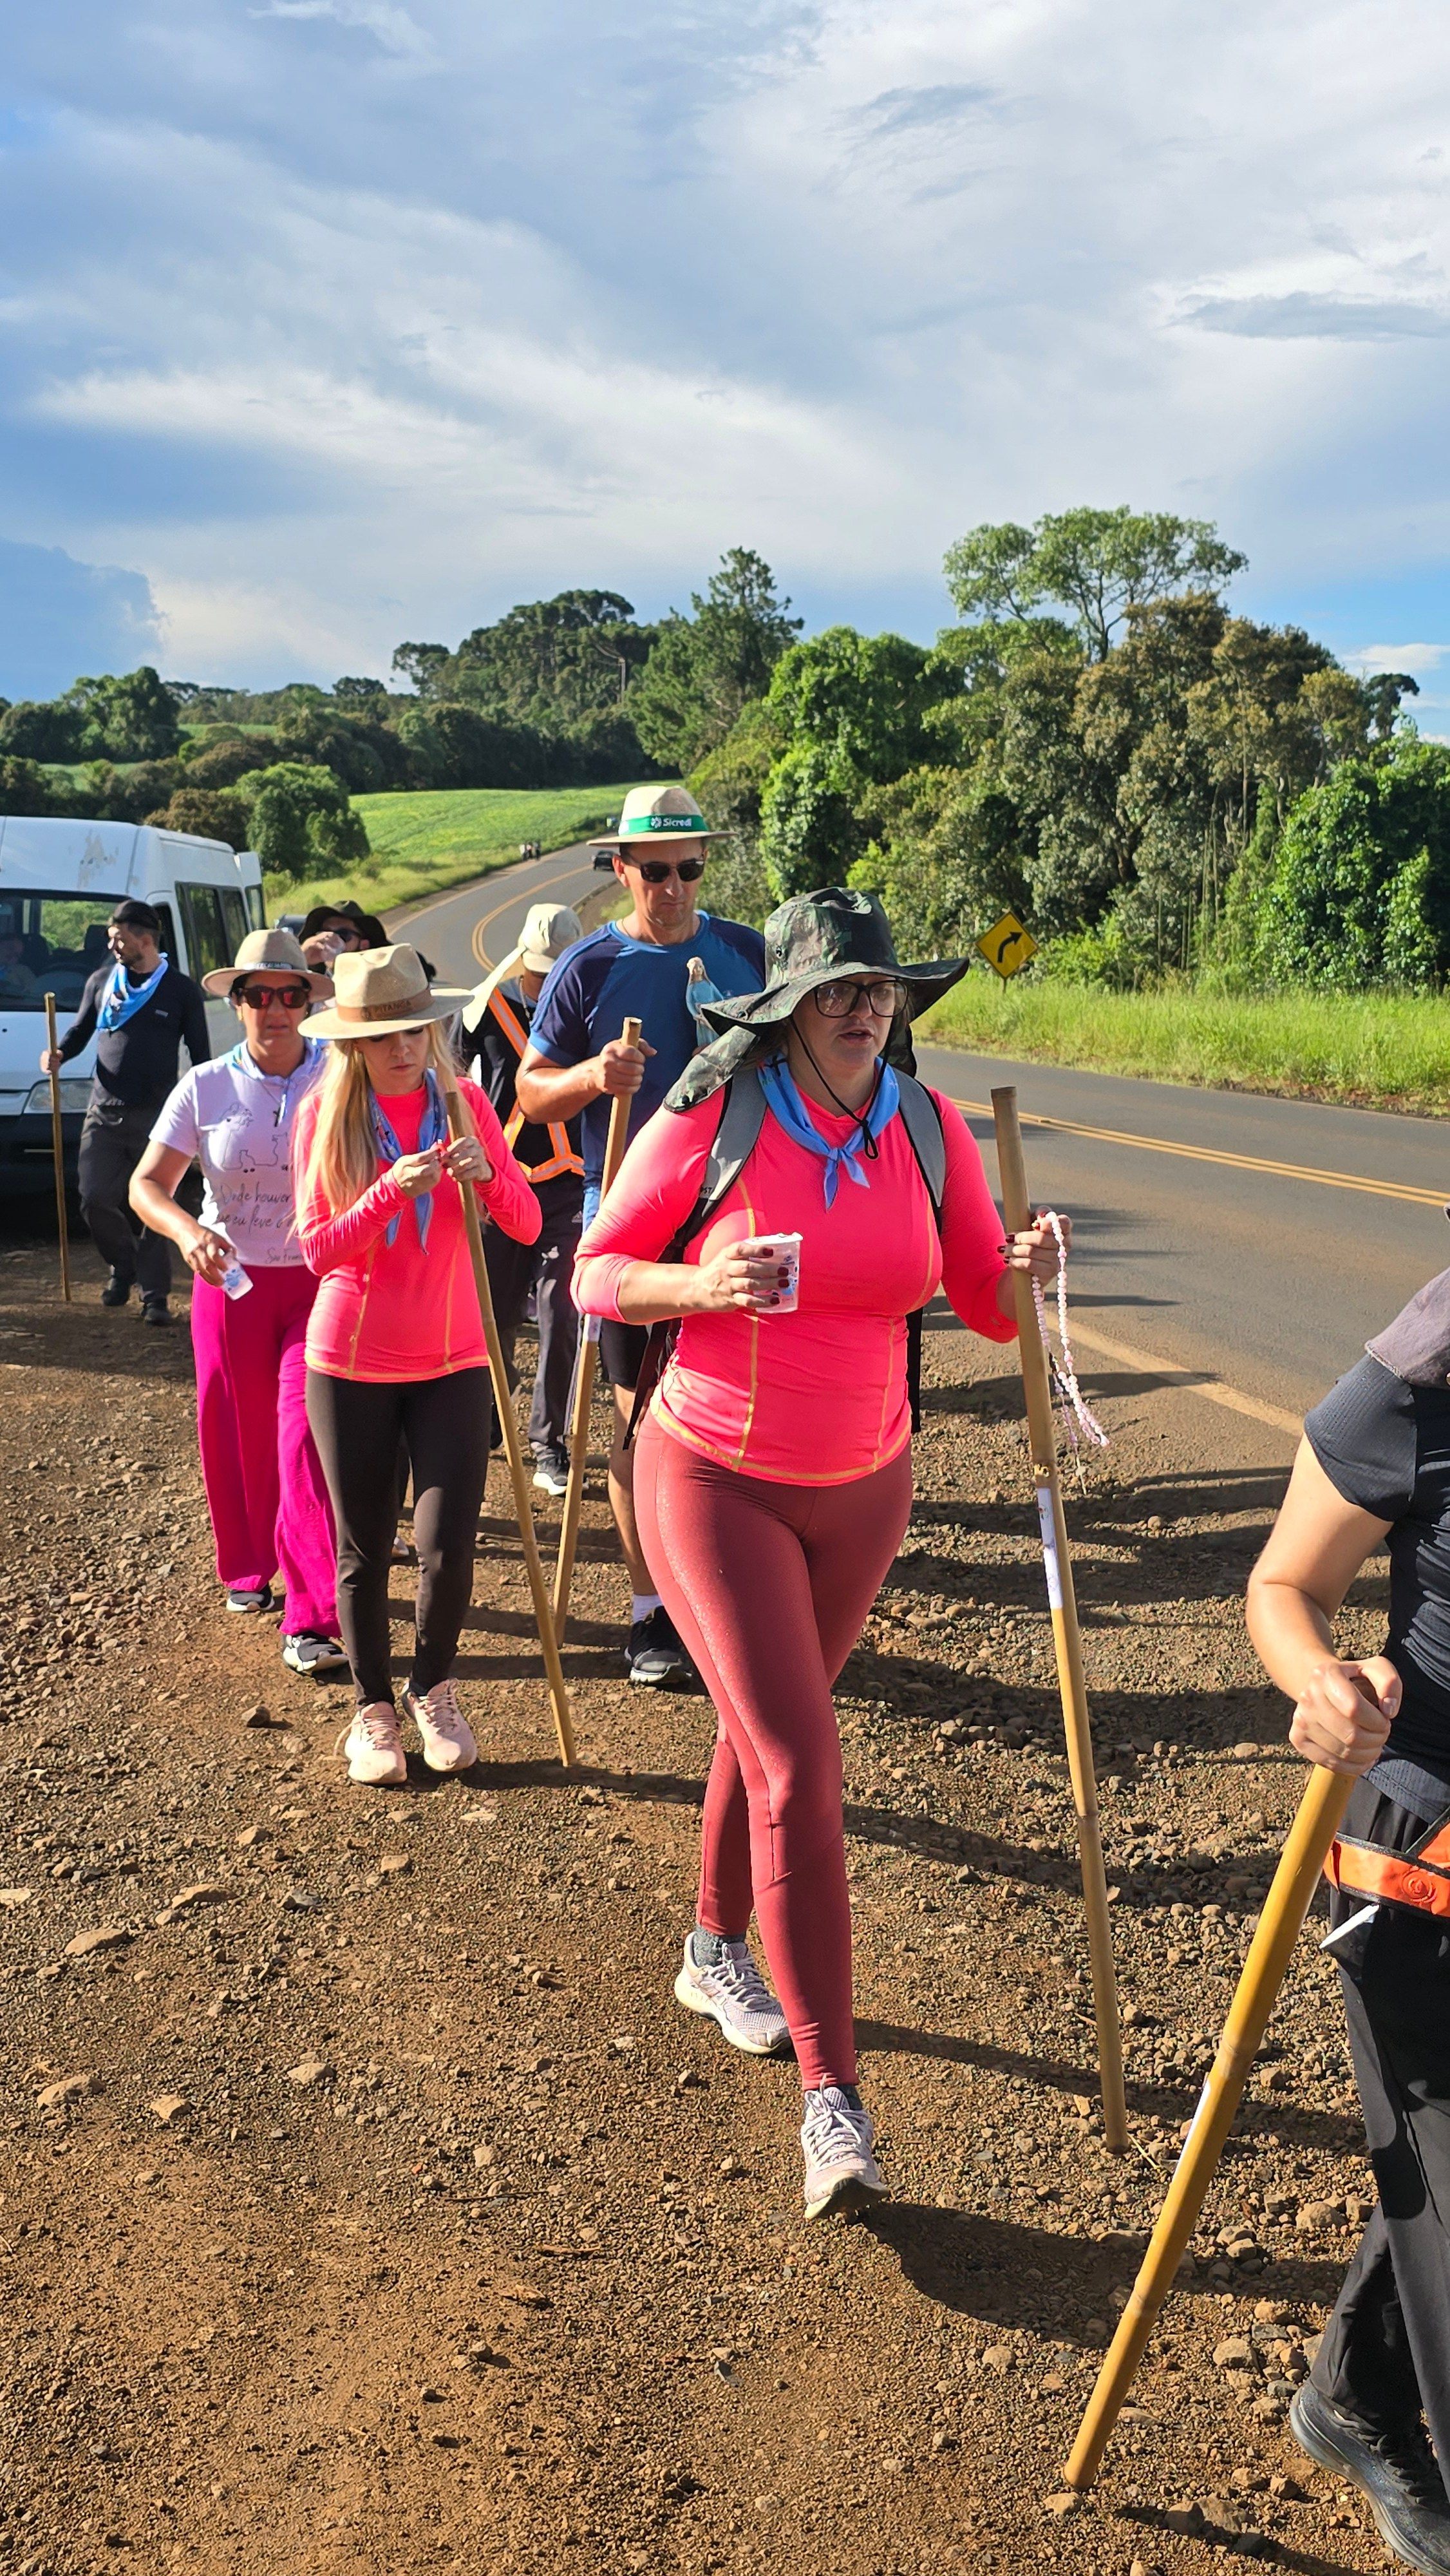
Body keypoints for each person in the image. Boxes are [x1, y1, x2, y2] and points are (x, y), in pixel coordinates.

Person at [570, 886, 1068, 2221]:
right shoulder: (712, 1112)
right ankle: (831, 2099)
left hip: (865, 1483)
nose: (866, 1006)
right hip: (712, 1471)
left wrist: (1028, 1267)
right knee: (800, 1763)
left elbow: (982, 1304)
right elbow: (597, 1272)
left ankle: (709, 1941)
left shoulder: (923, 1123)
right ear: (785, 1007)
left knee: (763, 1727)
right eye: (840, 988)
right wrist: (700, 1285)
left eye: (881, 988)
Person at [1247, 1267, 1450, 2576]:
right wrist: (1321, 1685)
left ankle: (1360, 2391)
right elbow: (1282, 1583)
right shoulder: (1430, 1363)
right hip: (1426, 1882)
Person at [514, 785, 766, 1684]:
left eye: (689, 866)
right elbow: (530, 1094)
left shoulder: (745, 952)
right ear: (621, 871)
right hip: (629, 1225)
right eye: (655, 869)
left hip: (734, 1217)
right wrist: (593, 1073)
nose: (674, 885)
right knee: (641, 1421)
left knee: (738, 1415)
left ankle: (732, 1595)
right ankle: (651, 1610)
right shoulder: (588, 966)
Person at [293, 944, 541, 1788]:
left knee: (448, 1546)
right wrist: (389, 1192)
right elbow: (318, 1250)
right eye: (386, 1035)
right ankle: (371, 1713)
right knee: (364, 1548)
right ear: (355, 1043)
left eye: (418, 1029)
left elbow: (528, 1221)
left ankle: (433, 1686)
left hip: (455, 1357)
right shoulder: (323, 1115)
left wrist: (487, 1180)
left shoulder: (465, 1101)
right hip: (351, 1360)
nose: (405, 1048)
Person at [129, 931, 346, 1676]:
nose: (276, 1009)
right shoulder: (205, 1085)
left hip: (319, 1281)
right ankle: (249, 1565)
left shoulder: (339, 1078)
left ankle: (313, 1613)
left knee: (301, 1439)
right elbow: (146, 1185)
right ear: (236, 1003)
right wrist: (187, 1230)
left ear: (309, 1003)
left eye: (291, 994)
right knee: (232, 1428)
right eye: (259, 995)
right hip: (231, 1281)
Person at [462, 901, 585, 1498]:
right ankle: (488, 1418)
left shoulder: (592, 1013)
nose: (547, 978)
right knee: (498, 1316)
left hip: (570, 1184)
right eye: (540, 968)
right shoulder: (489, 1010)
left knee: (564, 1310)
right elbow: (456, 1084)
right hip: (502, 1183)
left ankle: (548, 1443)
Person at [40, 898, 211, 1325]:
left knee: (155, 1207)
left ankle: (155, 1299)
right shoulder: (101, 981)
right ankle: (124, 1264)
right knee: (94, 1199)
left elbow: (201, 1055)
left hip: (159, 1117)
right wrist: (58, 1053)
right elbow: (81, 1031)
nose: (113, 946)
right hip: (104, 1112)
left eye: (120, 939)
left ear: (146, 939)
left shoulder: (180, 989)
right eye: (111, 939)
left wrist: (205, 1107)